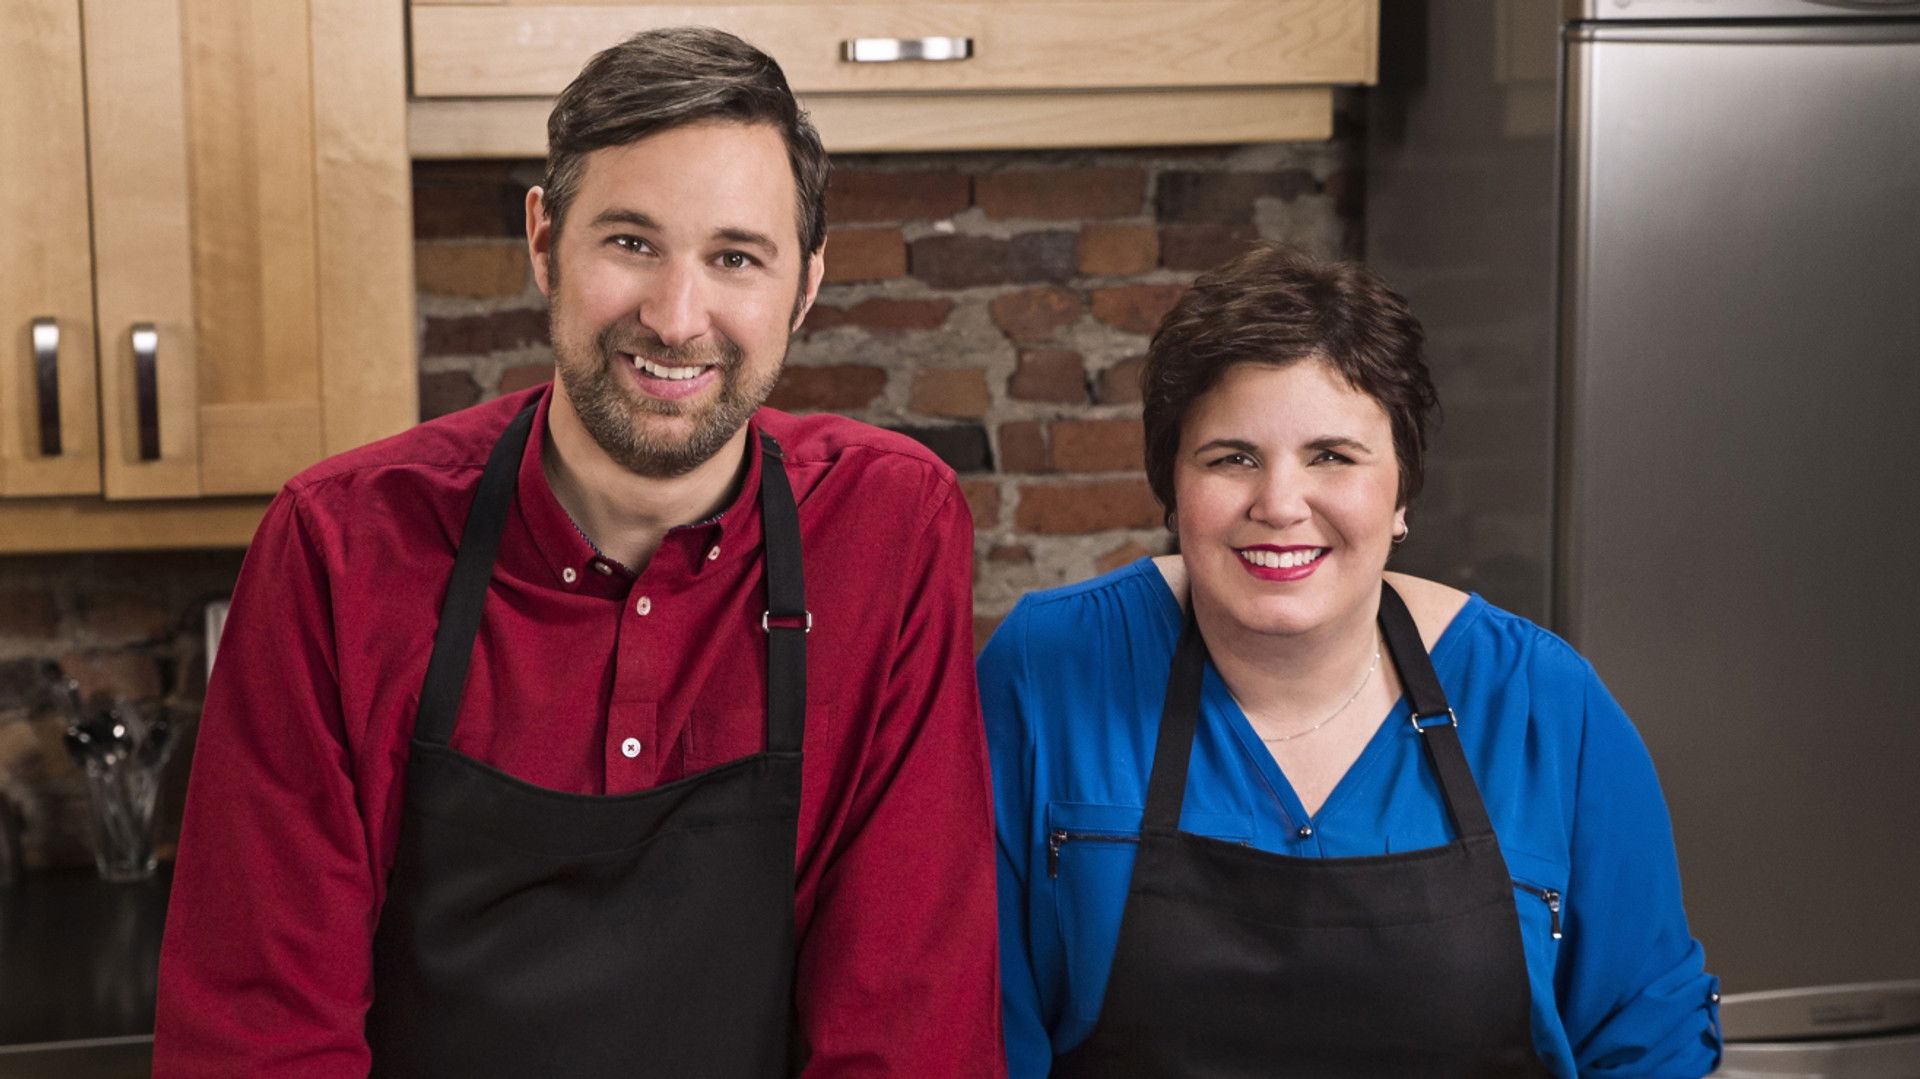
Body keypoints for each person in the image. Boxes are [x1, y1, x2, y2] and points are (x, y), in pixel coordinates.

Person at [155, 27, 1002, 1077]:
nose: (675, 318)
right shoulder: (338, 544)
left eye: (735, 257)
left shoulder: (889, 525)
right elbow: (260, 1033)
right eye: (631, 242)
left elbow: (907, 1019)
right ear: (544, 240)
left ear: (806, 286)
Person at [980, 243, 1721, 1078]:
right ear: (1172, 488)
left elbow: (1647, 1037)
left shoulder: (1544, 703)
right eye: (1231, 457)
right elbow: (976, 1024)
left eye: (1332, 455)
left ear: (1402, 490)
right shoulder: (1045, 671)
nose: (1279, 504)